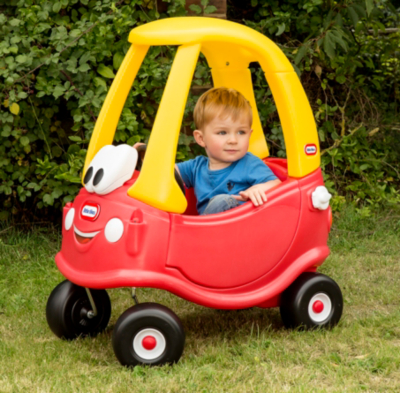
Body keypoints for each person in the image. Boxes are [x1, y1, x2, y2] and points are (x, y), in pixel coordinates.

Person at [137, 87, 281, 215]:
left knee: (222, 201)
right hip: (207, 230)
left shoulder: (249, 164)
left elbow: (277, 185)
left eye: (241, 132)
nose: (233, 140)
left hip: (240, 229)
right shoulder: (196, 167)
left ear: (249, 134)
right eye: (223, 133)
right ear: (201, 138)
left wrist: (258, 189)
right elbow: (166, 172)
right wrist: (145, 159)